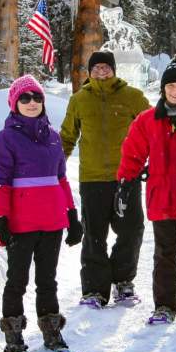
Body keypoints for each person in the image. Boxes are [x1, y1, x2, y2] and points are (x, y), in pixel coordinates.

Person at [116, 54, 176, 325]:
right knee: (163, 254)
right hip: (162, 197)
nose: (175, 91)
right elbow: (132, 154)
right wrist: (125, 182)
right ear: (163, 89)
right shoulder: (147, 119)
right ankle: (164, 306)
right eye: (171, 86)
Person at [0, 75, 84, 352]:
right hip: (21, 223)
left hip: (52, 222)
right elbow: (0, 183)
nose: (32, 103)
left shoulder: (53, 137)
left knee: (48, 280)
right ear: (14, 103)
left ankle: (52, 331)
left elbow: (61, 180)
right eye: (25, 98)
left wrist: (72, 215)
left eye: (37, 98)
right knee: (17, 280)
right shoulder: (6, 139)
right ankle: (14, 334)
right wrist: (1, 219)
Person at [60, 50, 150, 308]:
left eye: (106, 67)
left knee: (131, 230)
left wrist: (155, 159)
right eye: (96, 68)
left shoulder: (132, 97)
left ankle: (123, 281)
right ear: (89, 72)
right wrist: (55, 167)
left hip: (126, 177)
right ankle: (94, 290)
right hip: (92, 177)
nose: (101, 71)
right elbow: (67, 136)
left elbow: (152, 129)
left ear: (114, 70)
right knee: (94, 235)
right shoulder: (79, 100)